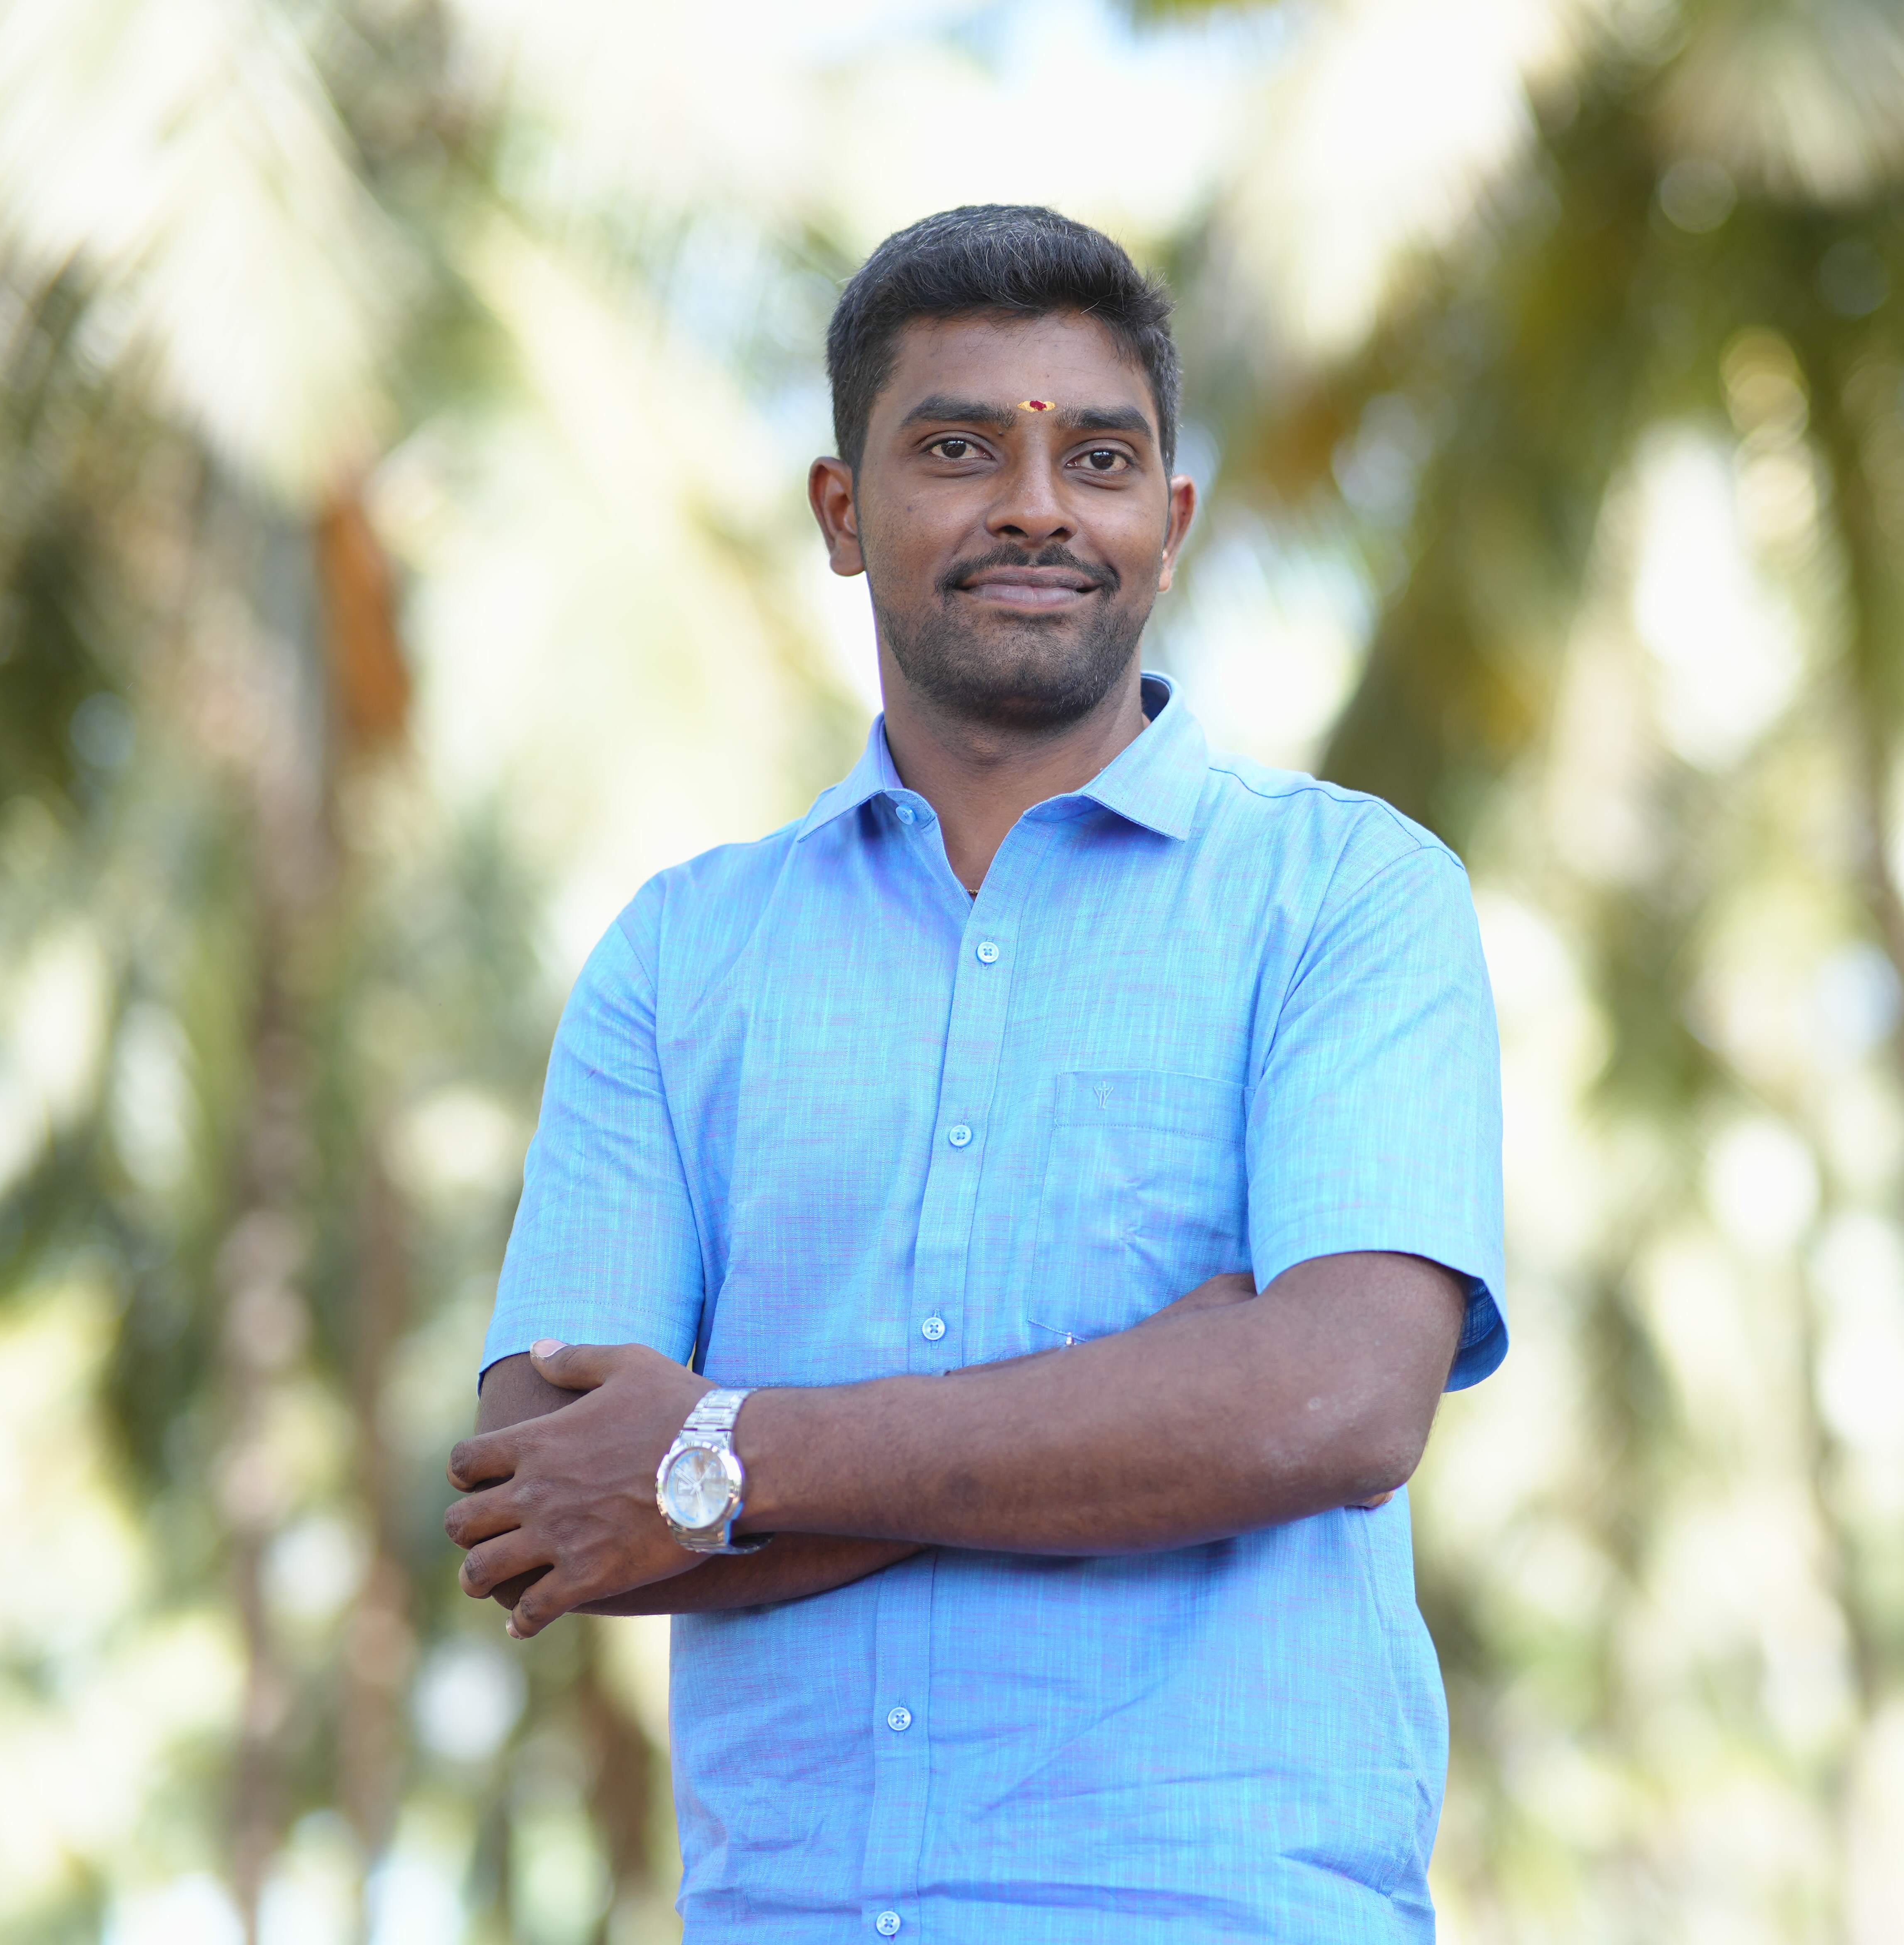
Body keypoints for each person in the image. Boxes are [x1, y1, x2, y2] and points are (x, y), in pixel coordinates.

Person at [441, 204, 1506, 1943]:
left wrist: (721, 1455)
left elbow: (1339, 1405)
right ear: (841, 513)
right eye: (957, 450)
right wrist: (1160, 1396)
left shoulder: (1349, 899)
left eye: (1100, 458)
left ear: (1169, 524)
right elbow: (548, 1495)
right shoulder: (680, 960)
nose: (1036, 506)